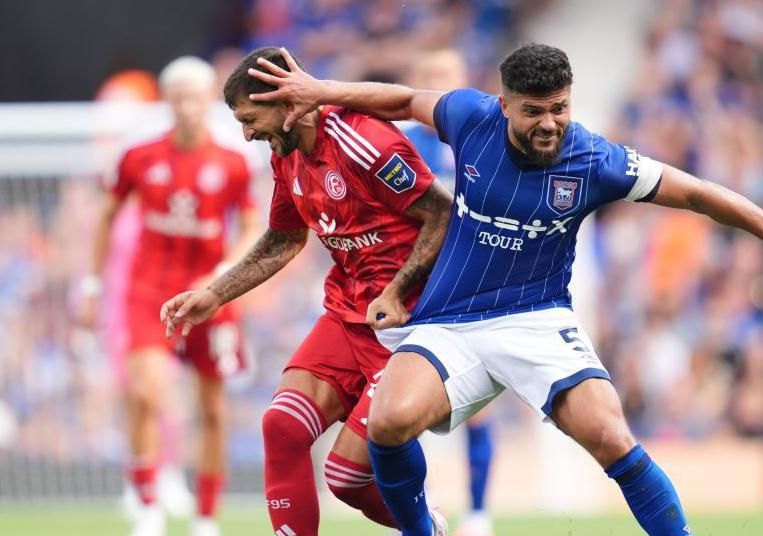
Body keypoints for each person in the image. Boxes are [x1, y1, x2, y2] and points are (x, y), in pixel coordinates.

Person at [246, 43, 763, 536]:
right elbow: (405, 99)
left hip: (537, 320)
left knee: (611, 437)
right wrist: (319, 91)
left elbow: (695, 191)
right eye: (534, 110)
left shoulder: (596, 160)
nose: (550, 123)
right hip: (450, 321)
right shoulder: (470, 118)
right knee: (388, 423)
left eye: (559, 108)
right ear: (506, 104)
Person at [159, 47, 454, 536]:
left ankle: (427, 529)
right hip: (346, 312)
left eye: (251, 118)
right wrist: (215, 293)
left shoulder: (363, 140)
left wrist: (398, 292)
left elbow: (440, 214)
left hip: (410, 323)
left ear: (288, 102)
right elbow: (284, 237)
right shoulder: (288, 156)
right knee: (282, 426)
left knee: (346, 478)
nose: (247, 133)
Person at [80, 56, 260, 536]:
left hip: (209, 295)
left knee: (214, 410)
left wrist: (228, 271)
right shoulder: (140, 157)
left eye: (195, 97)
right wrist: (94, 284)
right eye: (177, 97)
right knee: (145, 391)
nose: (186, 107)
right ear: (165, 101)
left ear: (209, 101)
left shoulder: (232, 163)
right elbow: (106, 216)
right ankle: (148, 504)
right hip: (148, 291)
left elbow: (250, 226)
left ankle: (205, 517)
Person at [404, 49, 495, 536]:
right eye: (430, 76)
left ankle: (478, 514)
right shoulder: (400, 143)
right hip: (418, 287)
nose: (439, 85)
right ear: (415, 83)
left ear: (465, 83)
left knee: (480, 405)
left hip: (473, 285)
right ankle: (425, 506)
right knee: (406, 404)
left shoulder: (484, 141)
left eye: (448, 77)